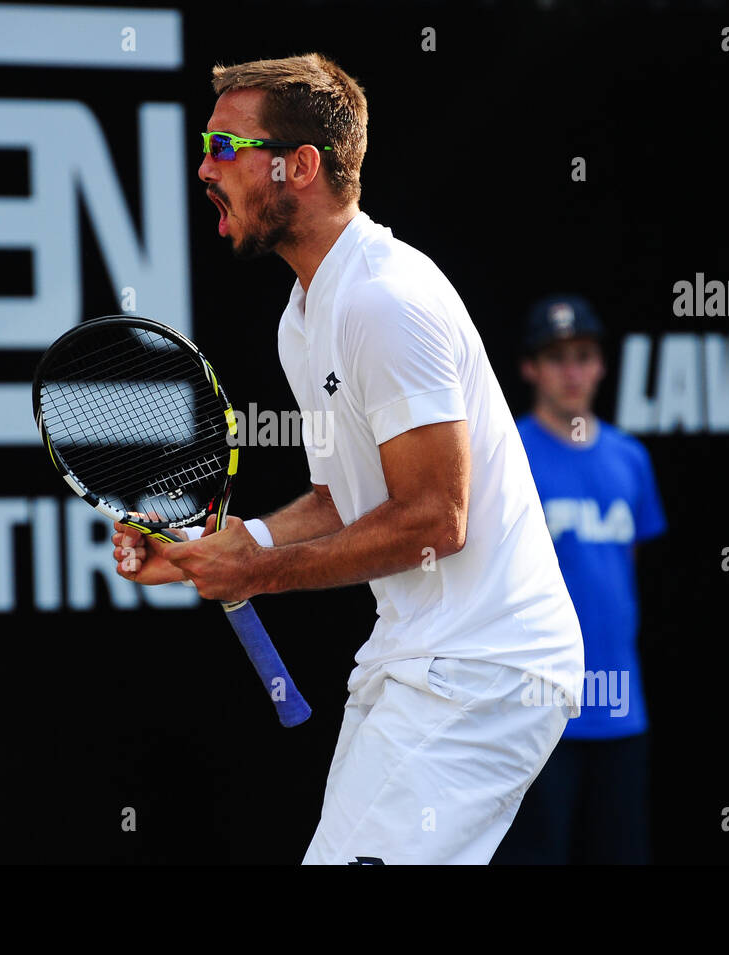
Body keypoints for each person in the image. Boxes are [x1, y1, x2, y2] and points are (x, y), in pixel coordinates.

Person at [111, 54, 584, 864]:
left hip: (486, 670)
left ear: (299, 166)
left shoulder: (386, 298)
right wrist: (238, 547)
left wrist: (258, 576)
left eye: (225, 145)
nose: (203, 166)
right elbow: (341, 498)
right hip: (414, 660)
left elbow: (440, 516)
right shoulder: (302, 319)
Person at [491, 296, 668, 864]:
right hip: (536, 709)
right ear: (529, 368)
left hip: (621, 708)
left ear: (602, 365)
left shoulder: (631, 458)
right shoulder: (507, 454)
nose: (572, 371)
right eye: (557, 357)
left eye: (584, 356)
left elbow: (625, 572)